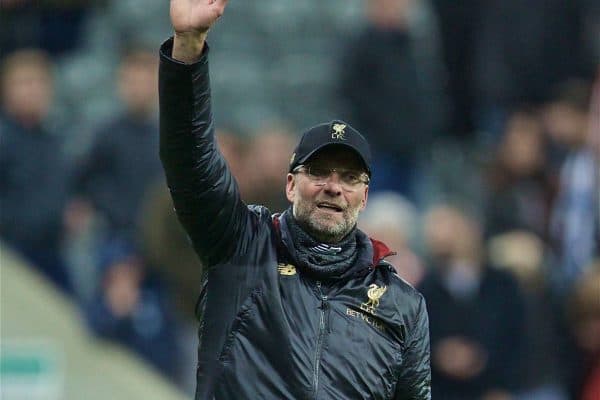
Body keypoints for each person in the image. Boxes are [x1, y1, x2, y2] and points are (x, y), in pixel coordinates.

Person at [158, 1, 431, 399]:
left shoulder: (402, 304)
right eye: (318, 173)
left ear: (365, 196)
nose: (333, 187)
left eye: (349, 177)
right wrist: (188, 46)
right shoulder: (242, 247)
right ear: (289, 185)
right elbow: (190, 158)